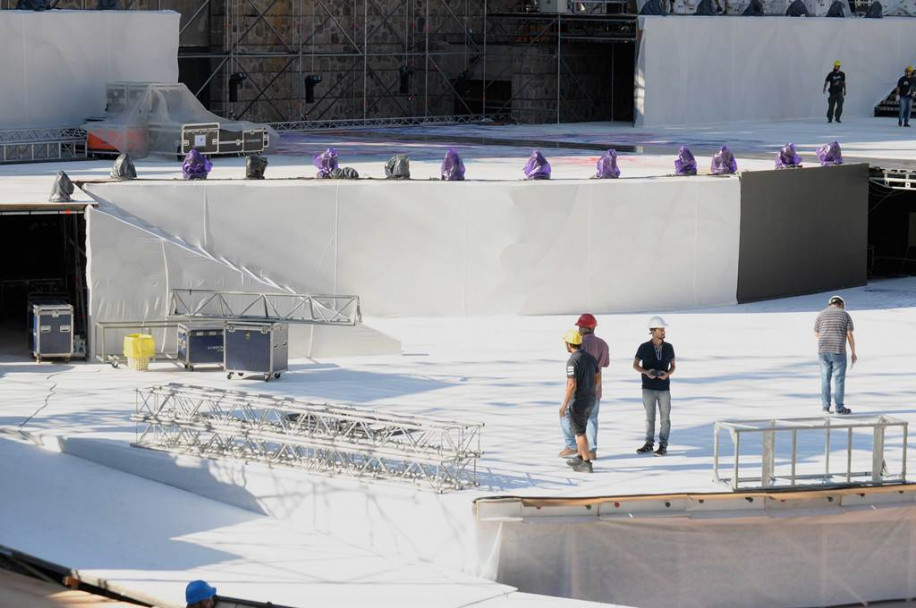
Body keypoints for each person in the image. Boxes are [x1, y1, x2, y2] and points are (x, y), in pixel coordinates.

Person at [559, 314, 610, 460]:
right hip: (595, 390)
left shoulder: (580, 344)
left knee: (567, 416)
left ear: (583, 327)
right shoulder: (603, 344)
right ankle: (592, 451)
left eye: (579, 326)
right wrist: (594, 388)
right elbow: (604, 364)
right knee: (592, 419)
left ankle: (571, 446)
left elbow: (573, 379)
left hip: (579, 391)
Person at [633, 316, 676, 456]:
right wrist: (646, 372)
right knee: (649, 417)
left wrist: (667, 374)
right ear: (652, 331)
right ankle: (649, 443)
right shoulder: (644, 347)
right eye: (661, 329)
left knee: (665, 418)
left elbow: (673, 366)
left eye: (663, 329)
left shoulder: (669, 347)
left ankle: (663, 445)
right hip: (648, 387)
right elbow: (635, 365)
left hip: (664, 388)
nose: (663, 332)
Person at [560, 329, 598, 473]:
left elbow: (571, 385)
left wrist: (564, 405)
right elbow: (597, 377)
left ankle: (586, 463)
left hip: (579, 402)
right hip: (591, 399)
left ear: (569, 344)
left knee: (580, 432)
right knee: (581, 427)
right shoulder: (590, 357)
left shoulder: (572, 361)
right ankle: (581, 457)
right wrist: (592, 390)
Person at [814, 295, 857, 414]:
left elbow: (817, 334)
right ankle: (839, 408)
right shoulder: (845, 315)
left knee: (825, 379)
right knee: (839, 380)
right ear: (842, 304)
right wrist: (853, 352)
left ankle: (825, 407)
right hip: (838, 350)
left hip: (823, 351)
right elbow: (850, 335)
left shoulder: (821, 314)